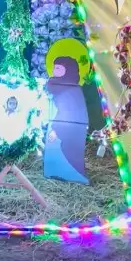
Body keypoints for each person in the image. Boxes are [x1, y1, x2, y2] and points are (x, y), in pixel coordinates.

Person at [44, 54, 89, 184]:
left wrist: (55, 130)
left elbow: (69, 112)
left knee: (69, 153)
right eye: (54, 67)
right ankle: (55, 173)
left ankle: (73, 175)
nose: (54, 70)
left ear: (68, 70)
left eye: (58, 68)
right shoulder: (55, 84)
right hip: (56, 123)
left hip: (68, 129)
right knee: (54, 154)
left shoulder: (71, 90)